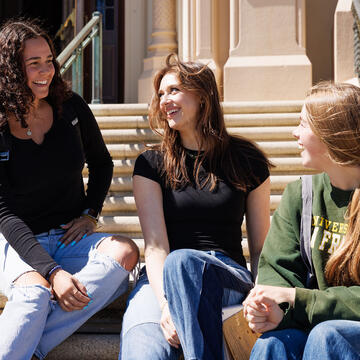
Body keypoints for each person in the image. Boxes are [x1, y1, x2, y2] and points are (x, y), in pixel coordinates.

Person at [0, 18, 139, 360]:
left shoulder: (71, 107)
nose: (46, 70)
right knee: (33, 295)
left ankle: (29, 346)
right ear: (12, 70)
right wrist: (53, 273)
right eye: (34, 64)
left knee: (125, 252)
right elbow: (3, 212)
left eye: (49, 60)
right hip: (17, 241)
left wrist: (90, 214)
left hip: (67, 237)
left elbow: (102, 163)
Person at [119, 54, 271, 360]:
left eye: (174, 90)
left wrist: (263, 296)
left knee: (185, 261)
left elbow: (260, 247)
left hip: (226, 275)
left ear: (202, 96)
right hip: (161, 279)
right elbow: (157, 246)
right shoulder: (151, 164)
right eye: (160, 94)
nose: (164, 100)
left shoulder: (247, 159)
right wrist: (165, 305)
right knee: (145, 351)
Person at [243, 81, 360, 360]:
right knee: (273, 344)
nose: (294, 132)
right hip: (319, 322)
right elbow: (276, 273)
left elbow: (297, 298)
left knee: (328, 335)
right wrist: (269, 308)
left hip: (338, 335)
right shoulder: (301, 194)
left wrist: (299, 300)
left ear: (331, 135)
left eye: (303, 124)